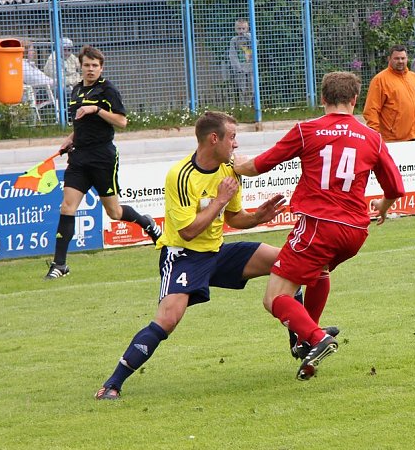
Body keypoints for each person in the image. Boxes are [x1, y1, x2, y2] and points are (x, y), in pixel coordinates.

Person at [95, 112, 289, 399]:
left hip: (216, 251)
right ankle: (112, 384)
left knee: (286, 262)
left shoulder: (229, 171)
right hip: (184, 255)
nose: (235, 145)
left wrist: (258, 218)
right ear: (214, 139)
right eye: (232, 137)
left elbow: (234, 218)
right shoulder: (180, 175)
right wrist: (220, 199)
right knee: (168, 320)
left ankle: (304, 338)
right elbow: (188, 231)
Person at [234, 72, 405, 381]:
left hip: (319, 225)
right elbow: (395, 187)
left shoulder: (306, 130)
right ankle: (307, 338)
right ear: (355, 100)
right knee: (320, 272)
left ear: (323, 99)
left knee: (273, 298)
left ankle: (315, 337)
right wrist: (383, 206)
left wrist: (235, 164)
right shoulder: (372, 137)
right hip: (355, 232)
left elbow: (261, 165)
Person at [45, 45, 160, 280]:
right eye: (86, 65)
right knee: (67, 207)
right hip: (79, 158)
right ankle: (60, 265)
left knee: (115, 212)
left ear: (101, 68)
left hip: (102, 157)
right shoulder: (76, 90)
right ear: (81, 66)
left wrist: (96, 109)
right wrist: (68, 141)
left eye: (94, 66)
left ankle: (146, 222)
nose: (90, 69)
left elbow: (122, 121)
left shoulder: (107, 90)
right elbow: (79, 126)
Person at [364, 45, 415, 142]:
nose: (400, 61)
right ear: (389, 59)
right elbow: (371, 109)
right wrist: (375, 133)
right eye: (397, 58)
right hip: (394, 139)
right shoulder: (379, 80)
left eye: (403, 58)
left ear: (407, 59)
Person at [228, 19, 253, 107]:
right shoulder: (234, 40)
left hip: (250, 67)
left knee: (251, 88)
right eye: (239, 29)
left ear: (247, 29)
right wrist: (238, 68)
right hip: (240, 69)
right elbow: (233, 55)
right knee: (242, 88)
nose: (241, 31)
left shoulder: (250, 37)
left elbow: (256, 44)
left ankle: (249, 105)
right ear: (235, 29)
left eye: (243, 28)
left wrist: (248, 35)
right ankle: (243, 107)